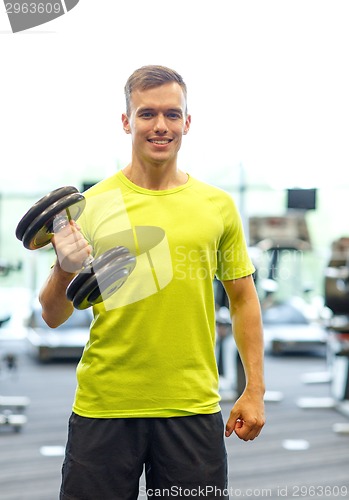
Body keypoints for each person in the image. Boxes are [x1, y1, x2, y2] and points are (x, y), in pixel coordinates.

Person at [39, 65, 265, 500]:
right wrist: (64, 267)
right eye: (146, 114)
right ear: (126, 121)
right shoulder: (90, 206)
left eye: (172, 114)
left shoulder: (216, 206)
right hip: (105, 406)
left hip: (191, 407)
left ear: (187, 122)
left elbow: (243, 301)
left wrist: (254, 389)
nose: (160, 126)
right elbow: (52, 314)